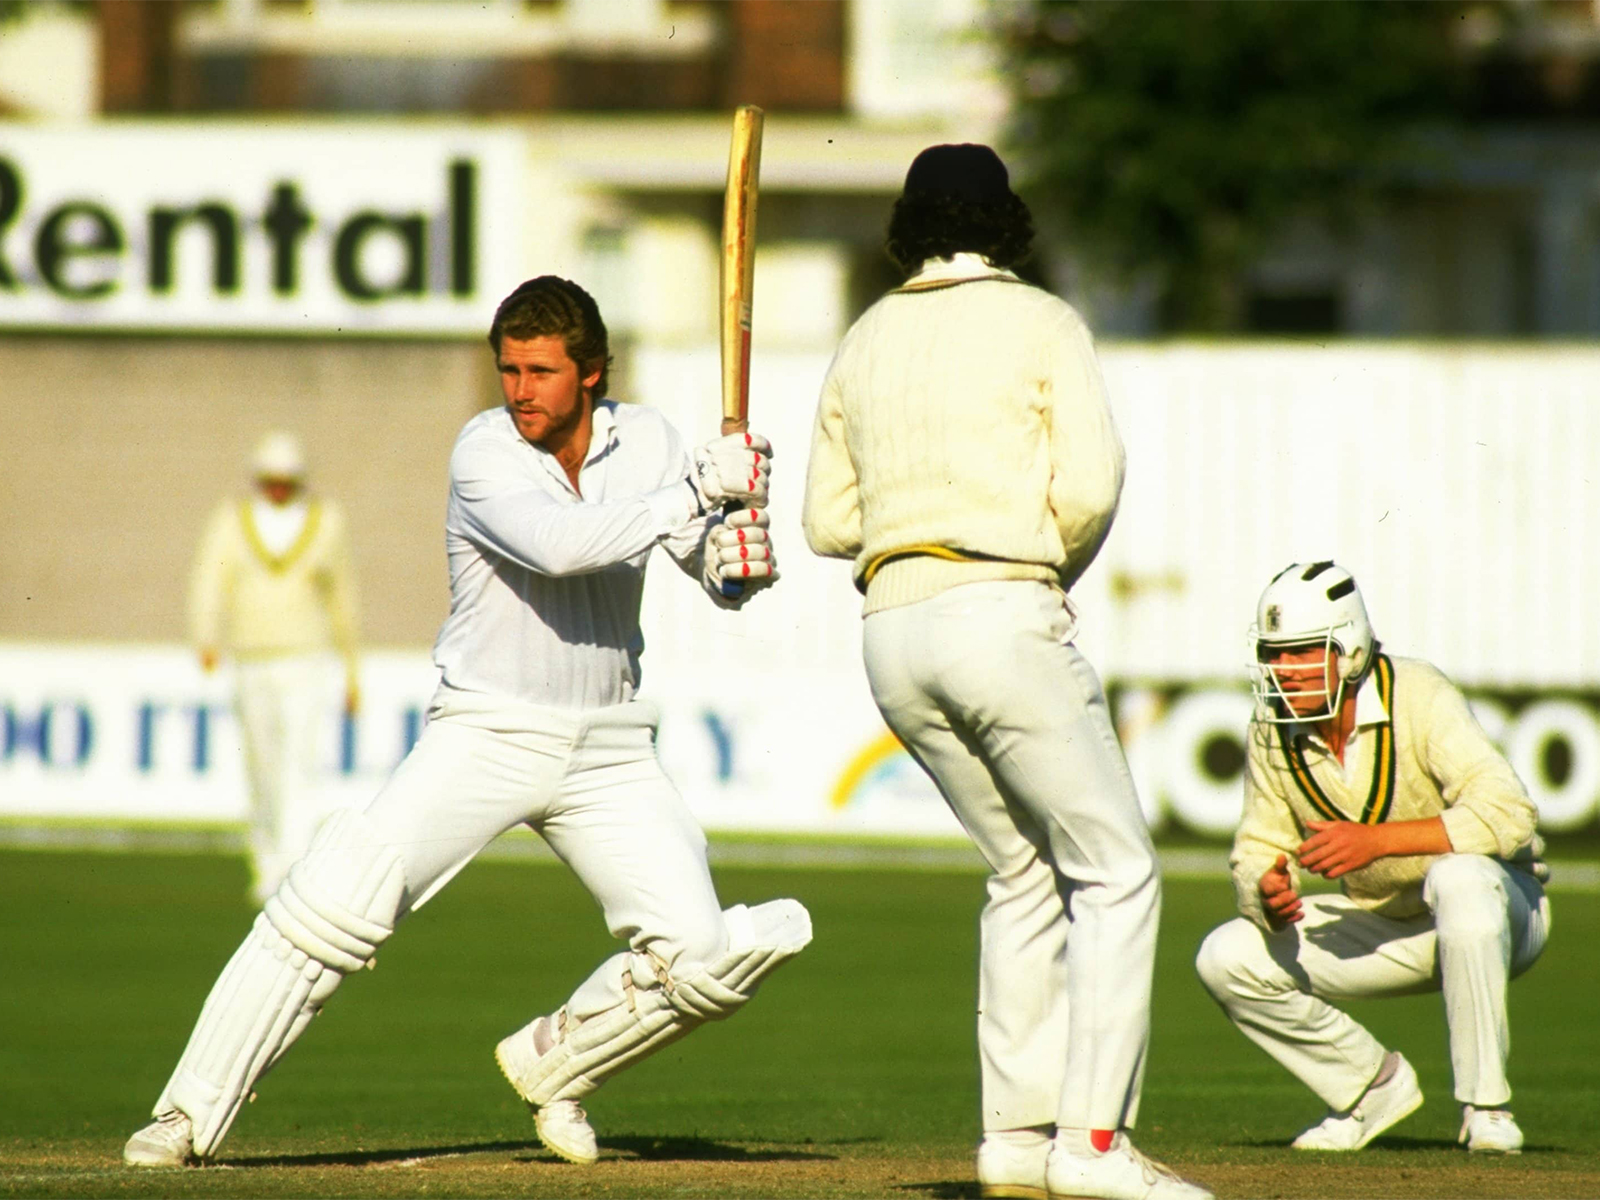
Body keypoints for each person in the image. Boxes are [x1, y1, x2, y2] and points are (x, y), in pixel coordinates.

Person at [126, 275, 809, 1169]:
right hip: (486, 728)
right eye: (508, 370)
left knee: (705, 955)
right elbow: (562, 549)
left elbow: (705, 571)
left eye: (540, 371)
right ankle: (186, 1116)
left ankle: (555, 1061)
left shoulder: (651, 443)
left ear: (592, 373)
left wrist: (736, 548)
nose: (520, 390)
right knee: (333, 904)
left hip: (608, 744)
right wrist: (692, 496)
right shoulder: (484, 450)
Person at [801, 143, 1211, 1200]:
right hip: (1000, 609)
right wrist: (1039, 566)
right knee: (1115, 872)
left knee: (1022, 872)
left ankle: (1016, 1142)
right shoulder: (1040, 320)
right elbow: (1092, 482)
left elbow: (825, 523)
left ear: (907, 225)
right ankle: (1094, 1148)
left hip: (889, 631)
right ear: (1008, 224)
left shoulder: (863, 337)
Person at [1194, 561, 1549, 1154]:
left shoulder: (1419, 692)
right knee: (1224, 957)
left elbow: (1511, 812)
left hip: (1505, 913)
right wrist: (1266, 892)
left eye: (1302, 653)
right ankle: (1370, 1088)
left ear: (1350, 649)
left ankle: (1486, 1108)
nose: (1283, 670)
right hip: (1388, 927)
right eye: (1274, 655)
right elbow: (1258, 846)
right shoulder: (1270, 726)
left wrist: (1378, 839)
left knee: (1459, 878)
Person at [189, 431, 361, 903]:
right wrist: (206, 635)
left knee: (301, 764)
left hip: (307, 656)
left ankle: (293, 865)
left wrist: (351, 667)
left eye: (286, 480)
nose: (278, 489)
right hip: (250, 657)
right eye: (270, 480)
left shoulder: (327, 520)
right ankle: (265, 863)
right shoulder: (232, 519)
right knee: (261, 764)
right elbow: (210, 577)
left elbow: (342, 594)